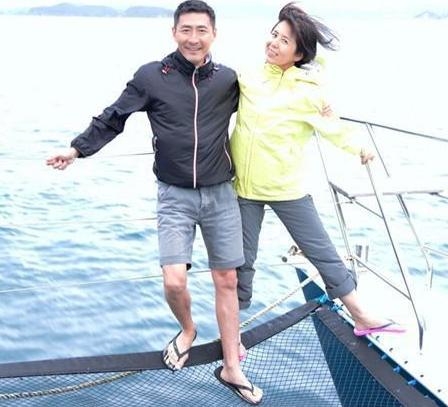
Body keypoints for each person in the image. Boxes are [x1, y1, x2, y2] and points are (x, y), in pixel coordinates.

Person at [46, 1, 263, 404]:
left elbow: (267, 110)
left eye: (201, 30)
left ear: (214, 34)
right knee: (174, 280)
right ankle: (188, 329)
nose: (193, 38)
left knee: (227, 280)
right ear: (174, 32)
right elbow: (114, 116)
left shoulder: (228, 80)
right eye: (186, 30)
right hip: (174, 195)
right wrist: (77, 149)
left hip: (220, 193)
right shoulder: (152, 76)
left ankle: (232, 367)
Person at [231, 2, 406, 337]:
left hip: (286, 188)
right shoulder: (248, 77)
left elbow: (333, 127)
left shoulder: (309, 91)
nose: (273, 43)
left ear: (298, 54)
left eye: (284, 41)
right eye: (274, 35)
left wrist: (360, 147)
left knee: (322, 252)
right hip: (243, 190)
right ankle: (232, 334)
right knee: (241, 262)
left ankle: (361, 315)